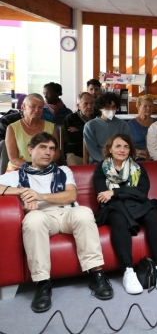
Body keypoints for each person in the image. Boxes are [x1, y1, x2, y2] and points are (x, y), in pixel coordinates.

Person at [0, 132, 113, 312]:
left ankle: (97, 274)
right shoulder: (16, 175)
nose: (48, 152)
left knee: (84, 212)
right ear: (30, 150)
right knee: (33, 220)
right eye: (42, 148)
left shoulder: (63, 171)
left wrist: (40, 195)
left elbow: (71, 195)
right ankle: (43, 284)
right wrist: (20, 191)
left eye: (52, 149)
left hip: (67, 212)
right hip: (43, 217)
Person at [94, 134, 157, 294]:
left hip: (136, 203)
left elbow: (142, 192)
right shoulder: (100, 168)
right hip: (113, 207)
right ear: (110, 149)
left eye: (126, 146)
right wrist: (125, 193)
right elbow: (102, 194)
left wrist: (114, 192)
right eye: (118, 146)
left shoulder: (138, 168)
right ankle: (128, 271)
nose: (122, 150)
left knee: (152, 214)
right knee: (118, 219)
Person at [6, 94, 57, 171]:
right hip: (18, 169)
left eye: (40, 107)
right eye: (33, 106)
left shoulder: (51, 127)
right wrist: (33, 167)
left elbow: (56, 153)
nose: (37, 110)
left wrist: (41, 166)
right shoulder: (12, 128)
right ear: (23, 107)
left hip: (44, 168)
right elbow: (13, 158)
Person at [83, 93, 131, 164]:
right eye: (107, 106)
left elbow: (127, 146)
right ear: (100, 107)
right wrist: (106, 161)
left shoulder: (123, 125)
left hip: (120, 160)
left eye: (114, 106)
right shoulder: (90, 126)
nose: (111, 109)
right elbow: (92, 150)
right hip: (98, 161)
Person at [64, 92, 97, 165]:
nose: (89, 106)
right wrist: (93, 132)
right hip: (76, 153)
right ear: (78, 106)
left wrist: (80, 130)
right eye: (86, 103)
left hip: (96, 152)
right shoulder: (70, 118)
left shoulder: (98, 116)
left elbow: (101, 134)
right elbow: (71, 138)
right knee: (76, 168)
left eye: (91, 103)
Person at [127, 95, 156, 161]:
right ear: (138, 108)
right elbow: (125, 144)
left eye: (150, 106)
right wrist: (138, 151)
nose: (148, 108)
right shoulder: (130, 125)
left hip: (156, 156)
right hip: (138, 156)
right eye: (145, 106)